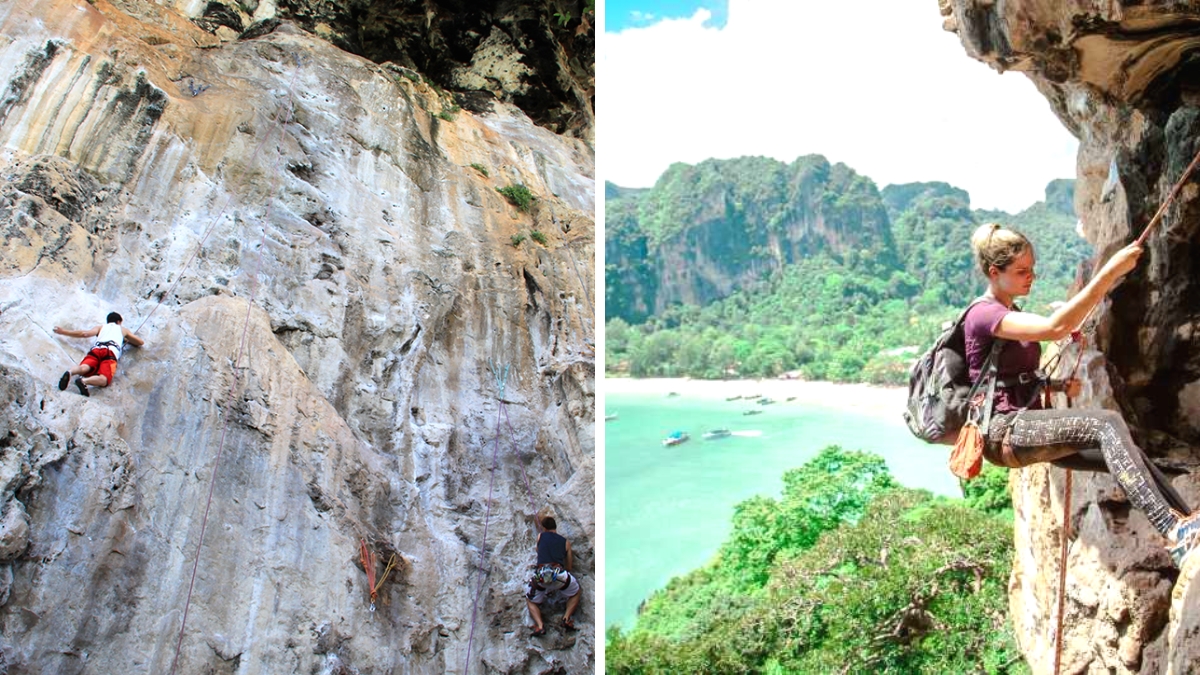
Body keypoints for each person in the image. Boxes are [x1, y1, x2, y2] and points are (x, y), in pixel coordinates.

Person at [966, 223, 1199, 566]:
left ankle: (1187, 525)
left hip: (1024, 428)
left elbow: (1013, 378)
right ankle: (1174, 529)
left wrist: (1058, 386)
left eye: (1032, 269)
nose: (1031, 277)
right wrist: (1109, 273)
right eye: (1021, 271)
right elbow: (1053, 327)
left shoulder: (1011, 314)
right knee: (1106, 424)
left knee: (1126, 454)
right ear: (994, 273)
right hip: (1004, 432)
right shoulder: (983, 314)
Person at [53, 312, 144, 397]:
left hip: (96, 350)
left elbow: (85, 334)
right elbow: (140, 342)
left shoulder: (100, 327)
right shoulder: (122, 329)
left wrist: (63, 331)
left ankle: (70, 372)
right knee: (104, 379)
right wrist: (126, 339)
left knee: (84, 368)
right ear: (118, 321)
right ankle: (84, 381)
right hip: (110, 352)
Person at [526, 516, 580, 636]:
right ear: (556, 527)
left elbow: (538, 549)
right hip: (559, 575)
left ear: (544, 528)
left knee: (530, 600)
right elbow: (569, 566)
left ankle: (540, 626)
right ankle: (566, 618)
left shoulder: (540, 536)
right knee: (576, 592)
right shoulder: (566, 542)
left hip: (541, 575)